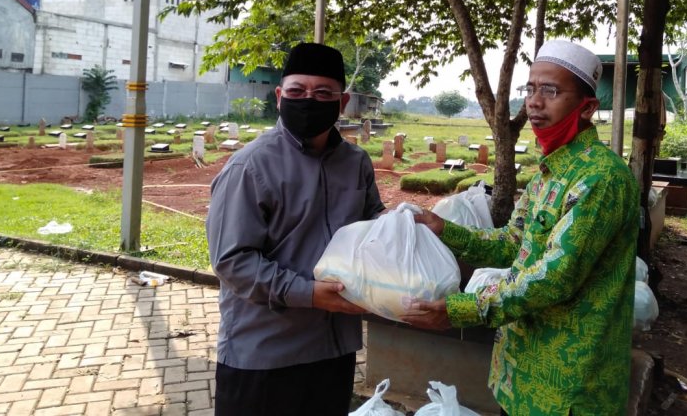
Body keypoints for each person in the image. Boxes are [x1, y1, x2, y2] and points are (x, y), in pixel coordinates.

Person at [404, 40, 640, 416]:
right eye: (530, 89)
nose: (534, 102)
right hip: (520, 373)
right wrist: (443, 228)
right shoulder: (547, 174)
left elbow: (555, 277)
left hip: (568, 387)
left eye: (551, 91)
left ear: (587, 108)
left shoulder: (601, 179)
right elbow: (513, 244)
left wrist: (461, 310)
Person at [206, 42, 385, 416]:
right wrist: (309, 293)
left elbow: (373, 228)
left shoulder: (356, 163)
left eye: (322, 93)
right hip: (264, 354)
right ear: (278, 96)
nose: (308, 101)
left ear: (342, 102)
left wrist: (405, 230)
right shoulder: (250, 167)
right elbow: (232, 261)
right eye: (297, 91)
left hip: (333, 350)